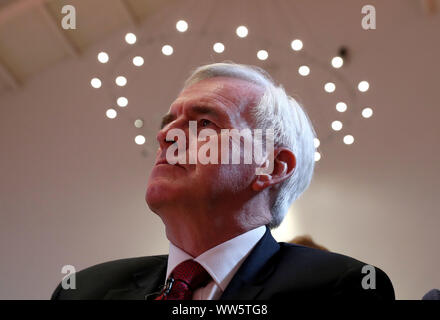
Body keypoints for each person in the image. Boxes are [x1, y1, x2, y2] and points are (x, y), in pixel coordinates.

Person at [51, 62, 395, 300]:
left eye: (203, 123)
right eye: (169, 121)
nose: (165, 136)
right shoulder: (82, 290)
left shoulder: (340, 289)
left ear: (271, 166)